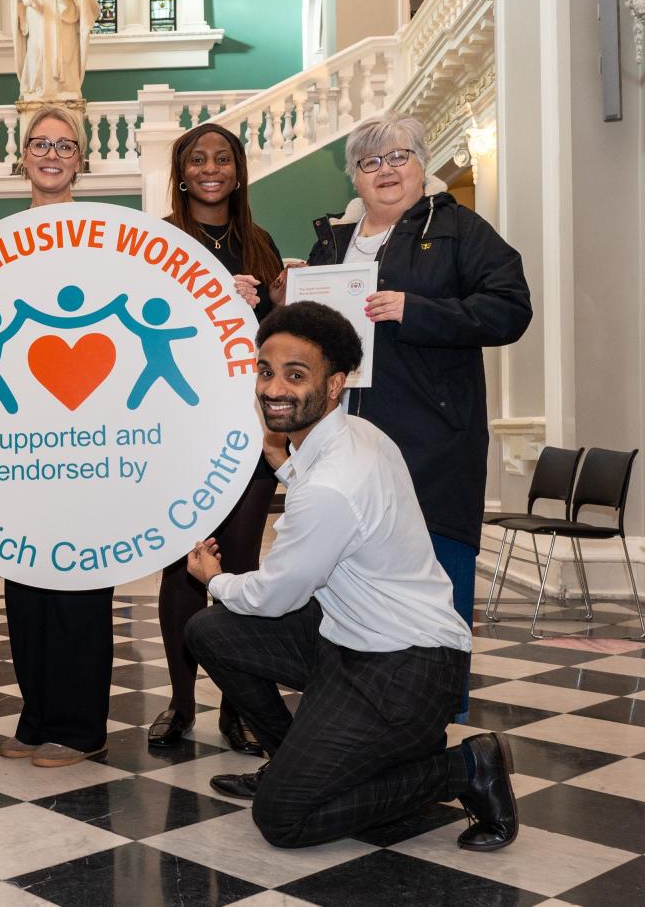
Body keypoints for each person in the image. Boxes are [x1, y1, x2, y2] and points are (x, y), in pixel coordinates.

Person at [185, 301, 517, 852]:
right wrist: (282, 460)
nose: (273, 388)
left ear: (335, 384)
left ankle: (467, 768)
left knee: (284, 820)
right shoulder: (359, 434)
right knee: (209, 631)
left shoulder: (332, 483)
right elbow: (330, 494)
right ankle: (294, 760)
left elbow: (274, 596)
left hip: (407, 670)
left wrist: (214, 577)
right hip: (353, 642)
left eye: (296, 375)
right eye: (265, 371)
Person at [303, 112, 531, 717]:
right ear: (354, 175)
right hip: (345, 441)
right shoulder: (332, 241)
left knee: (435, 582)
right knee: (344, 583)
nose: (385, 170)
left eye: (398, 156)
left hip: (432, 443)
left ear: (422, 163)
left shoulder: (460, 229)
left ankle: (430, 730)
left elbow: (511, 309)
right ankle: (350, 721)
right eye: (370, 161)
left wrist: (418, 310)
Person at [0, 105, 114, 767]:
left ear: (80, 159)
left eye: (66, 144)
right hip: (20, 441)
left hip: (86, 439)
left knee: (82, 579)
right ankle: (38, 716)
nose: (53, 153)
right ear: (21, 153)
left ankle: (82, 724)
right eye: (41, 143)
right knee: (25, 578)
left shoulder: (103, 233)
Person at [148, 123, 285, 752]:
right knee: (182, 567)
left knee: (242, 563)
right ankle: (180, 703)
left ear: (238, 170)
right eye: (197, 160)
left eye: (222, 159)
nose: (210, 169)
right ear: (181, 171)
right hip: (179, 428)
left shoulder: (258, 243)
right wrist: (205, 302)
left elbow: (280, 345)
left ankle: (238, 705)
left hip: (249, 433)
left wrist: (279, 301)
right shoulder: (162, 239)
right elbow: (139, 327)